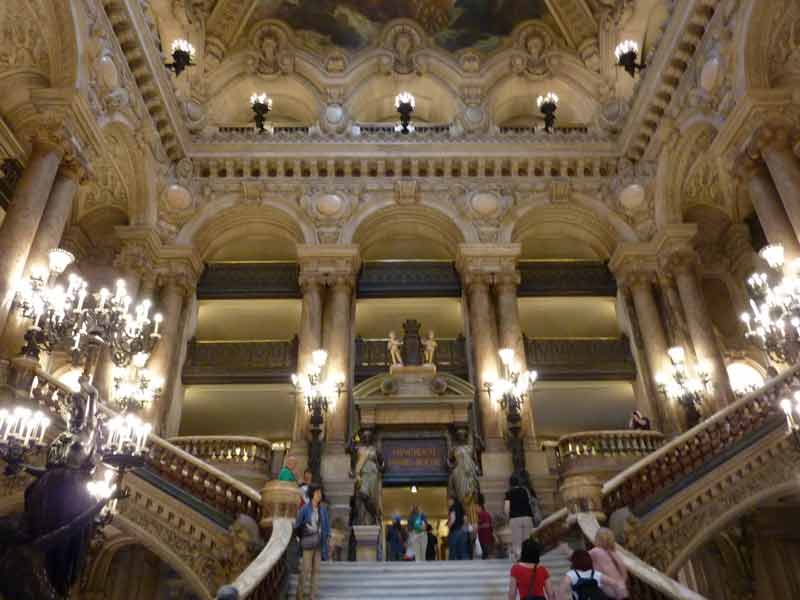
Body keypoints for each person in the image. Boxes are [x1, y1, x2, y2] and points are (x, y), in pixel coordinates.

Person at [294, 485, 330, 600]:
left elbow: (327, 527)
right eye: (317, 492)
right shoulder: (305, 509)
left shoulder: (323, 510)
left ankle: (312, 596)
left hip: (319, 544)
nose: (319, 494)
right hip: (308, 543)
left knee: (316, 571)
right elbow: (297, 525)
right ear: (312, 494)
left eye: (320, 492)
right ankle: (299, 596)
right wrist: (303, 534)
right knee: (305, 570)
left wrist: (328, 539)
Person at [589, 528, 629, 599]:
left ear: (598, 540)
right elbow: (622, 566)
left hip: (607, 588)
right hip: (620, 587)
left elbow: (582, 557)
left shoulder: (595, 551)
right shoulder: (613, 552)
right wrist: (623, 580)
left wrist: (566, 551)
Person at [505, 475, 535, 561]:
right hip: (527, 517)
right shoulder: (525, 491)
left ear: (510, 483)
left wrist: (508, 518)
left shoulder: (509, 493)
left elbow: (507, 508)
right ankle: (529, 560)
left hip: (515, 519)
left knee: (517, 543)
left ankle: (520, 561)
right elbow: (530, 503)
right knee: (527, 541)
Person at [447, 496, 469, 560]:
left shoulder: (452, 508)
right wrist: (464, 528)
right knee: (463, 549)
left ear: (452, 500)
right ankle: (466, 566)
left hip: (455, 531)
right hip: (463, 531)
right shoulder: (462, 508)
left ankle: (453, 566)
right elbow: (465, 519)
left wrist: (449, 525)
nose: (448, 502)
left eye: (449, 501)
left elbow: (453, 519)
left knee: (453, 549)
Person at [477, 494, 494, 560]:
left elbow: (487, 524)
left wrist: (478, 527)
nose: (476, 509)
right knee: (484, 553)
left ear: (480, 507)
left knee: (486, 553)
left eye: (477, 507)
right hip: (482, 537)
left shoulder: (484, 514)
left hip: (486, 537)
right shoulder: (480, 515)